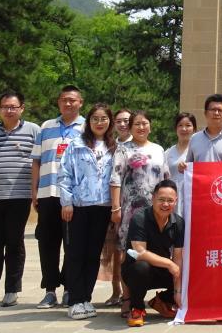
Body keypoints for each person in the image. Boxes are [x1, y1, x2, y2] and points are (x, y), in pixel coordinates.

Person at [0, 91, 39, 308]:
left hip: (19, 196)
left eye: (13, 107)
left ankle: (12, 290)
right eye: (4, 107)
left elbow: (38, 161)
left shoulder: (33, 130)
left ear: (22, 108)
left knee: (14, 242)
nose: (9, 110)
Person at [58, 103, 116, 319]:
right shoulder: (76, 144)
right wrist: (66, 202)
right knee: (75, 254)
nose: (99, 123)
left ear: (109, 122)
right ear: (88, 121)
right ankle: (74, 300)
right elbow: (65, 174)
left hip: (103, 207)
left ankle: (86, 298)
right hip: (79, 206)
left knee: (93, 255)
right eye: (95, 119)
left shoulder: (114, 147)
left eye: (104, 119)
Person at [30, 85, 85, 309]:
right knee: (47, 243)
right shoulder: (46, 126)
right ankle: (50, 290)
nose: (68, 103)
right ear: (58, 102)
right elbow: (36, 161)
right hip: (47, 194)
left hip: (73, 196)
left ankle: (69, 288)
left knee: (72, 245)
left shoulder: (86, 127)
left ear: (80, 103)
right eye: (64, 100)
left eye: (72, 100)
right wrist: (34, 191)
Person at [110, 110, 168, 317]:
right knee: (128, 255)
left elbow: (165, 179)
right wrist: (115, 208)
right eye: (137, 124)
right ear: (131, 127)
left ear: (150, 125)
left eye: (145, 123)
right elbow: (116, 179)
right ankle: (128, 299)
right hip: (130, 212)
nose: (141, 127)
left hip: (156, 212)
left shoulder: (158, 149)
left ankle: (145, 298)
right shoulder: (123, 149)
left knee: (151, 253)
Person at [123, 180, 184, 327]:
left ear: (176, 201)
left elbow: (178, 258)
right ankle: (137, 308)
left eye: (170, 200)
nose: (165, 204)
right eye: (161, 199)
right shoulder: (140, 218)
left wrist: (177, 292)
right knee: (141, 267)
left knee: (188, 273)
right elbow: (139, 252)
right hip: (136, 271)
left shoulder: (178, 222)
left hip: (161, 270)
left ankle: (162, 300)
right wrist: (169, 263)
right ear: (153, 198)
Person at [99, 109, 134, 306]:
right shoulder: (109, 145)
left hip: (131, 205)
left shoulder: (138, 144)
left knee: (129, 250)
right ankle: (116, 291)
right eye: (119, 121)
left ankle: (132, 292)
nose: (122, 124)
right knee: (113, 250)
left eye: (126, 121)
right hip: (110, 203)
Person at [177, 93, 222, 172]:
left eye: (220, 110)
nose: (216, 113)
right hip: (201, 180)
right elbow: (189, 167)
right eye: (213, 110)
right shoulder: (195, 138)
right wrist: (182, 168)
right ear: (205, 113)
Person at [164, 112, 196, 216]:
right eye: (180, 125)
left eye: (188, 125)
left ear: (194, 129)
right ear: (175, 129)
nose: (184, 129)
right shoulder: (167, 153)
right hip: (172, 198)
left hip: (192, 197)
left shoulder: (198, 151)